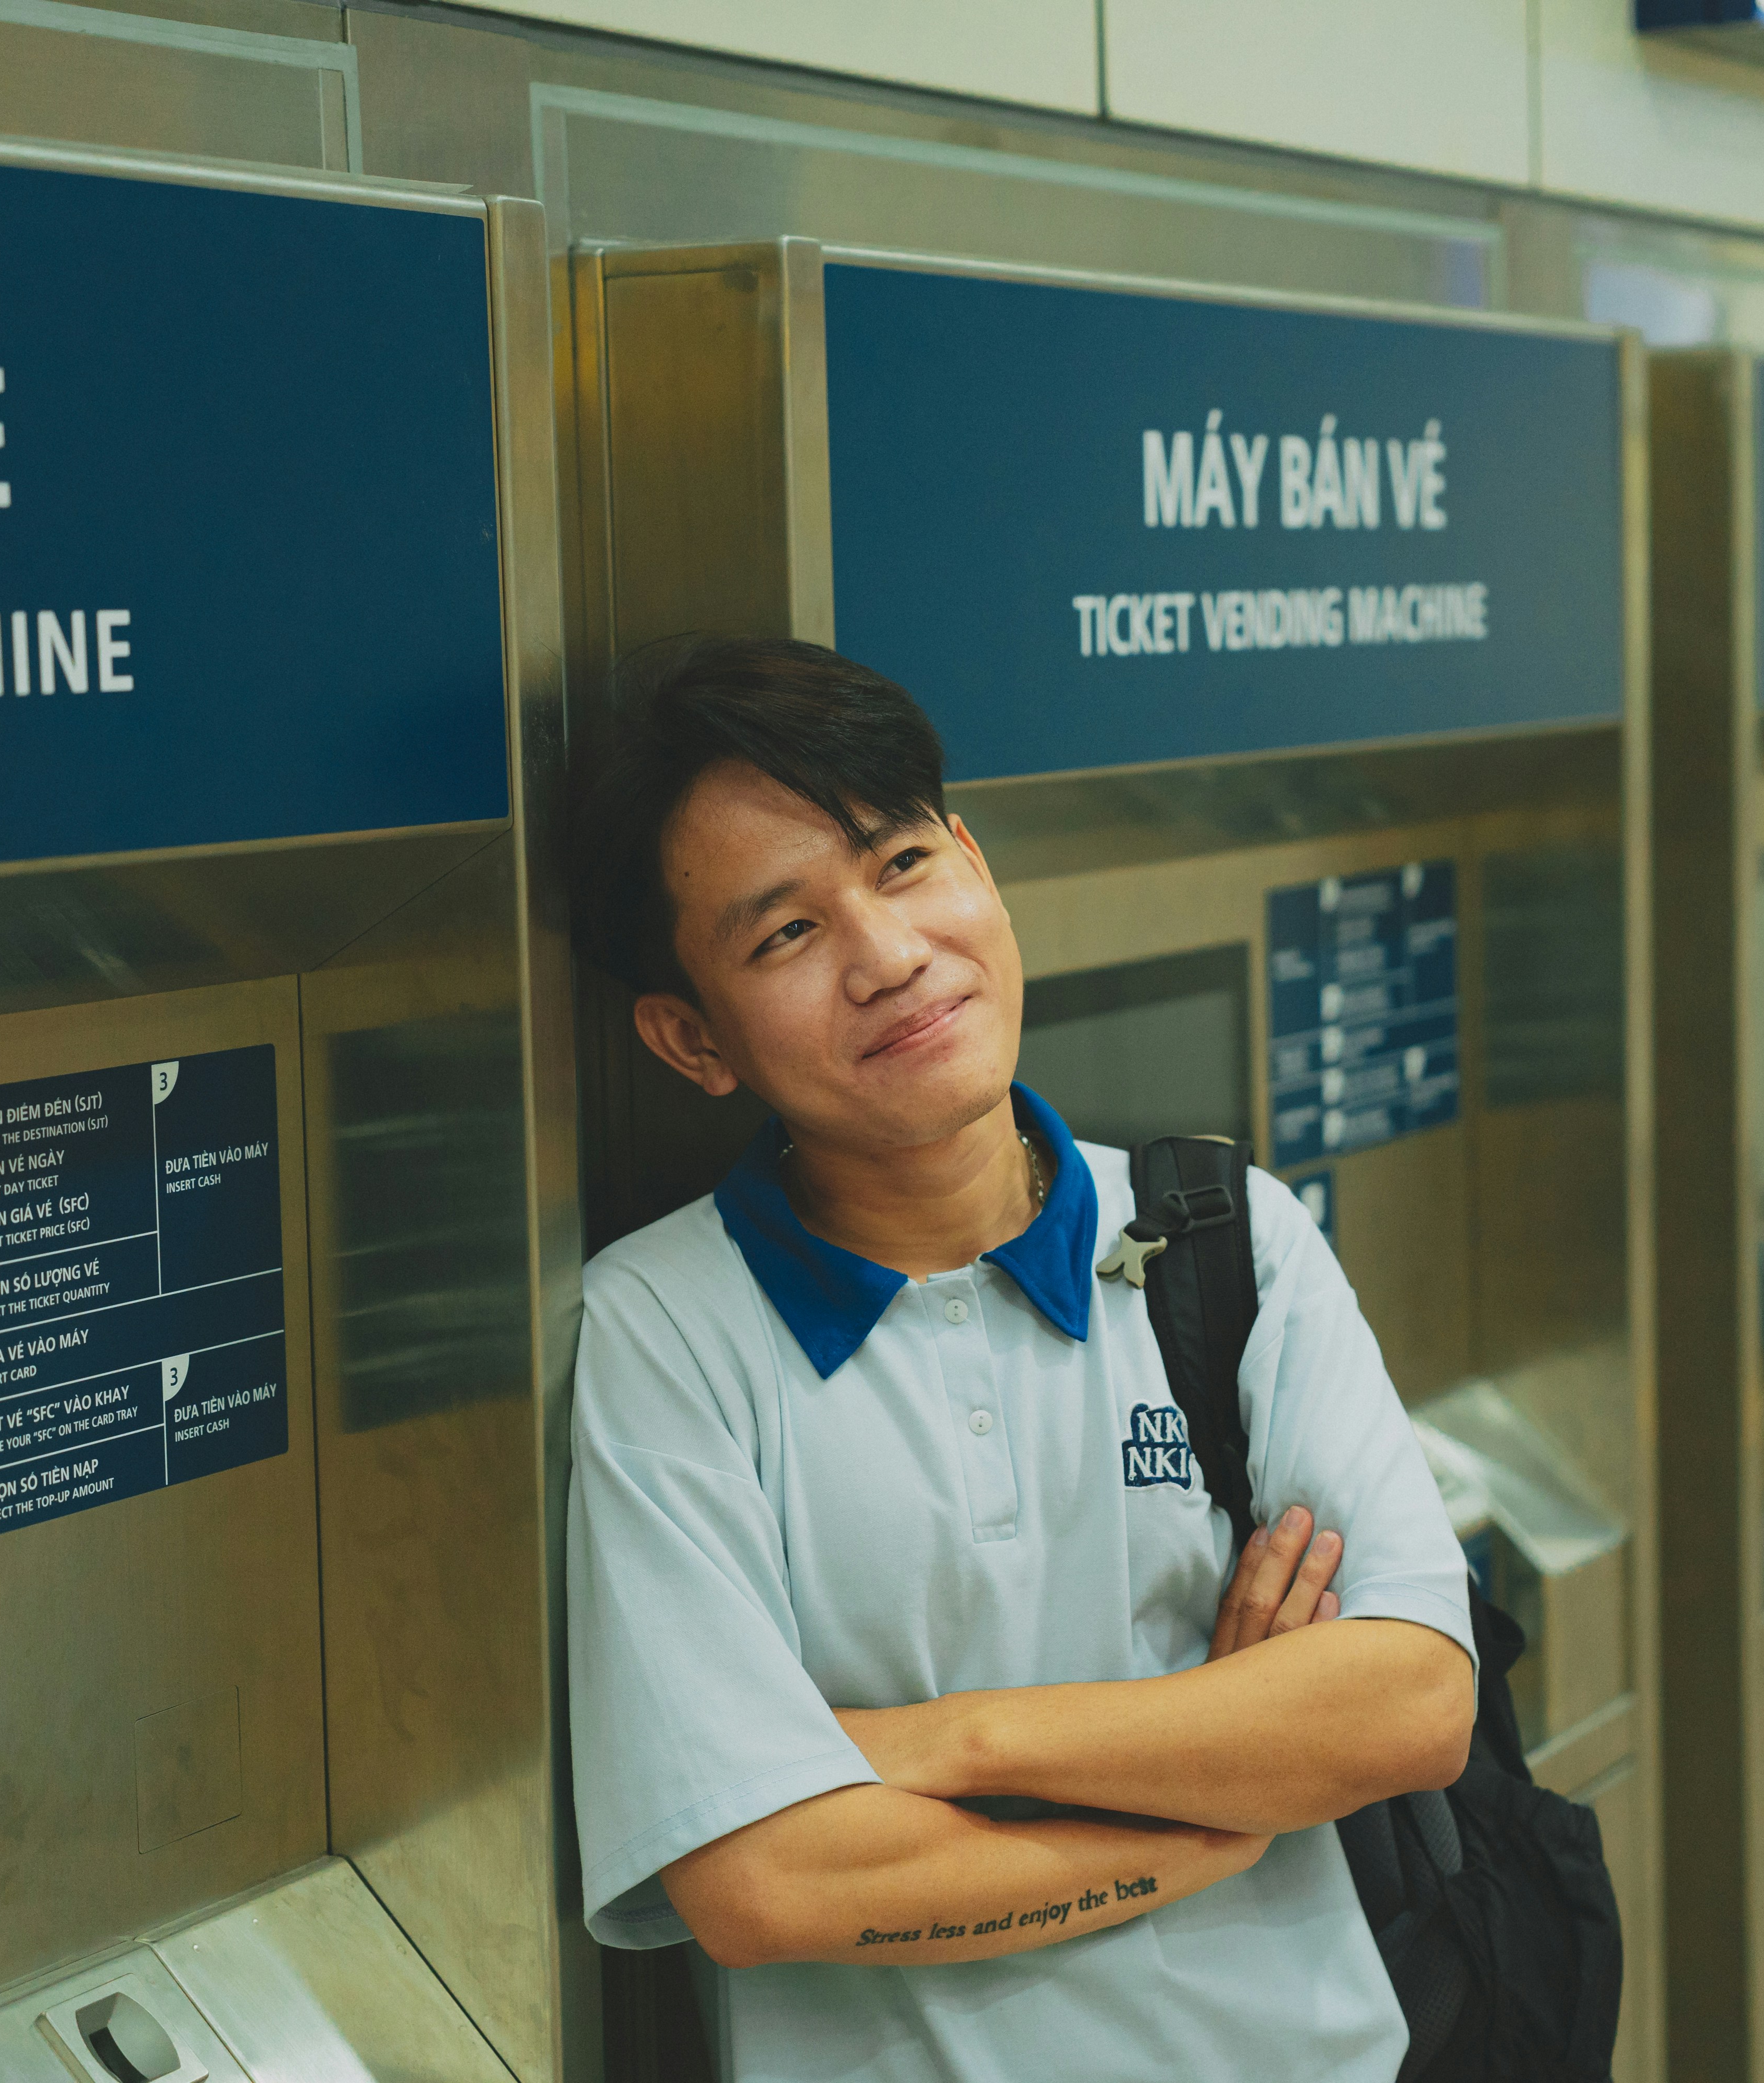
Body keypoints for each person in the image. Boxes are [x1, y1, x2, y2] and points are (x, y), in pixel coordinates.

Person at [565, 635, 1479, 2080]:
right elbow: (765, 1884)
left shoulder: (1227, 1241)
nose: (888, 956)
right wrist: (1213, 1814)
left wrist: (949, 1745)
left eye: (903, 863)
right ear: (692, 1040)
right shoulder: (665, 1331)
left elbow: (1412, 1700)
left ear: (974, 862)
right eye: (785, 936)